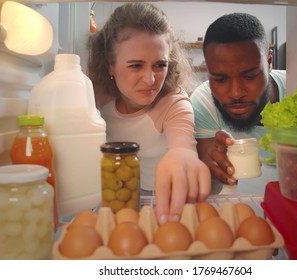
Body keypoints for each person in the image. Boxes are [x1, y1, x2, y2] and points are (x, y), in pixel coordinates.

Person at [87, 2, 211, 225]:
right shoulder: (96, 96)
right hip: (116, 198)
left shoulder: (172, 101)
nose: (150, 80)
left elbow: (182, 144)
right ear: (109, 65)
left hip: (165, 202)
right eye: (136, 66)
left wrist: (183, 154)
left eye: (160, 65)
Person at [190, 13, 286, 186]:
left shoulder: (296, 87)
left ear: (269, 61)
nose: (236, 93)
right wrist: (210, 162)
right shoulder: (203, 102)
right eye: (220, 79)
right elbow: (209, 165)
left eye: (250, 76)